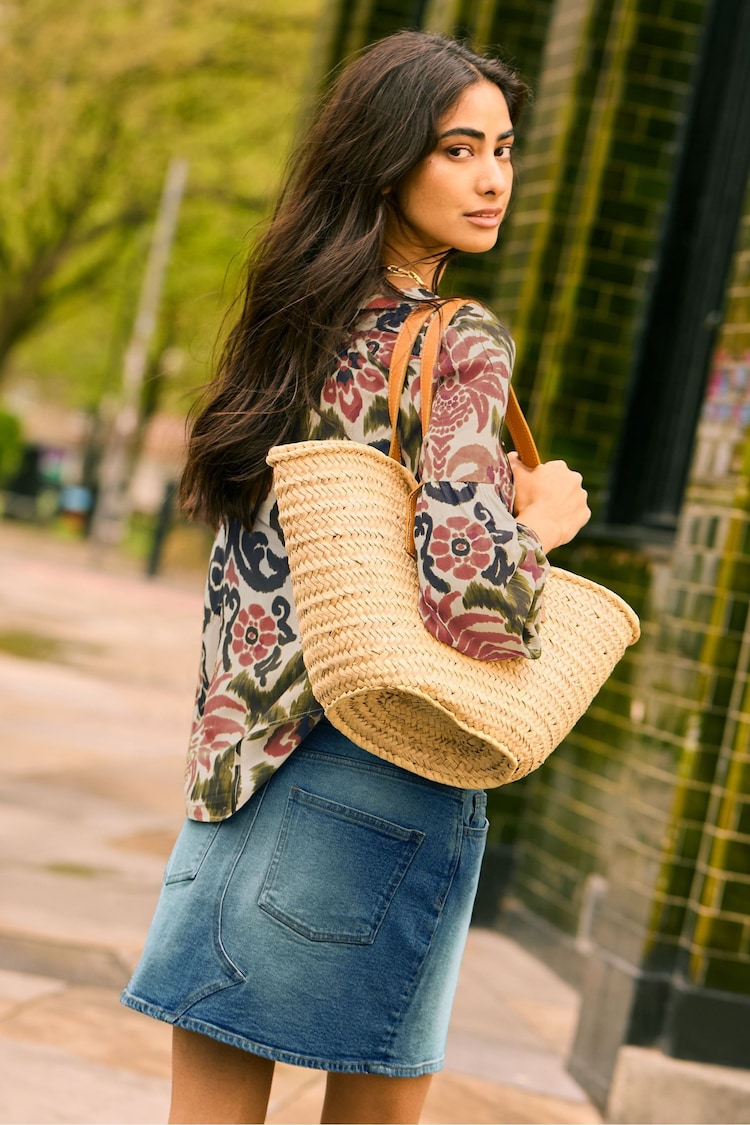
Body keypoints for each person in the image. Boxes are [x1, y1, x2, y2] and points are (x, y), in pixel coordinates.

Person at [121, 29, 590, 1125]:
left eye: (505, 151)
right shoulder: (459, 340)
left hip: (241, 775)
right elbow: (473, 604)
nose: (491, 180)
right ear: (388, 162)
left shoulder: (288, 327)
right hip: (388, 770)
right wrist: (544, 527)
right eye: (457, 150)